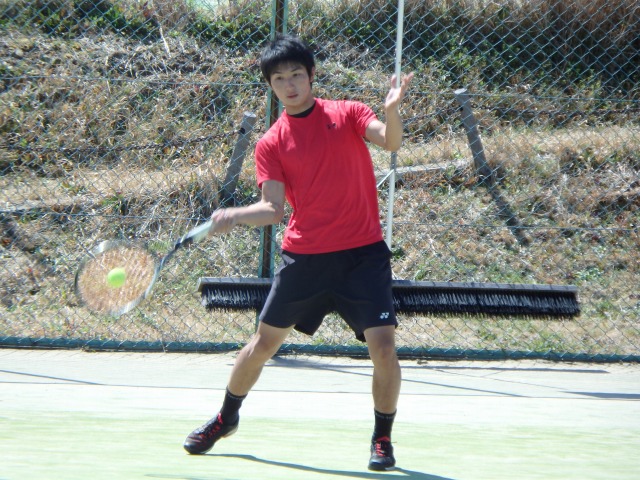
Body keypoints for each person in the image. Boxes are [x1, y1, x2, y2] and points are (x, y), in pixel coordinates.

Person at [183, 34, 413, 472]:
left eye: (296, 75)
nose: (289, 85)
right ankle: (225, 418)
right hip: (305, 258)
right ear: (270, 86)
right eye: (279, 79)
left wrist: (391, 110)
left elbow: (391, 142)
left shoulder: (347, 113)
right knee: (262, 344)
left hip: (363, 256)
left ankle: (382, 438)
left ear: (311, 76)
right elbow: (272, 210)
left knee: (383, 349)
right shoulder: (271, 143)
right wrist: (234, 214)